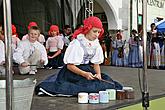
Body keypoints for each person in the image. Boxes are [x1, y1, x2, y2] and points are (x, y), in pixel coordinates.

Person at [35, 16, 123, 96]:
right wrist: (84, 74)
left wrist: (98, 74)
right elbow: (69, 66)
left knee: (107, 83)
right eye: (94, 31)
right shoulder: (77, 43)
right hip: (73, 72)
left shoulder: (96, 44)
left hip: (87, 70)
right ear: (87, 29)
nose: (97, 34)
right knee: (88, 87)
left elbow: (96, 64)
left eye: (99, 32)